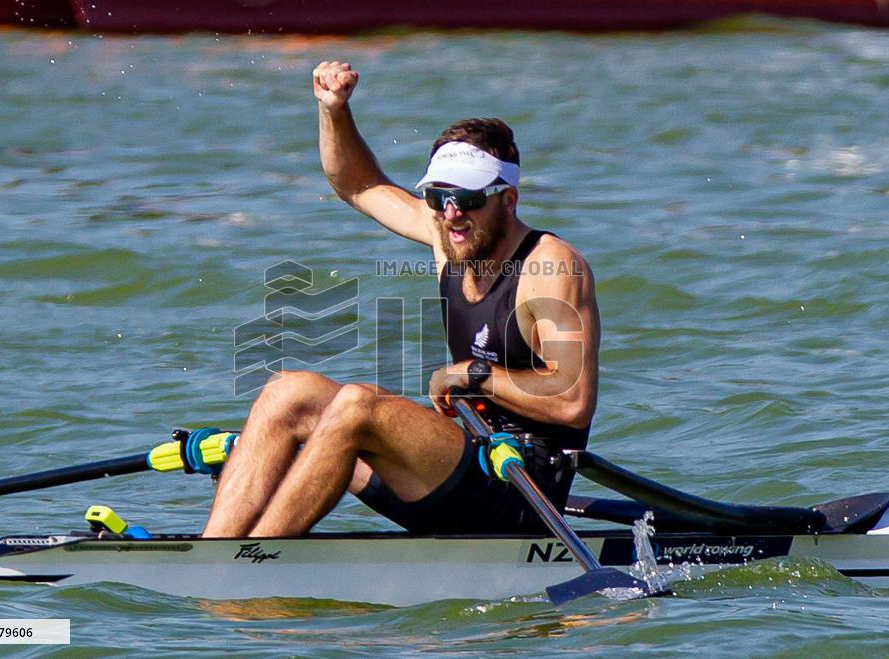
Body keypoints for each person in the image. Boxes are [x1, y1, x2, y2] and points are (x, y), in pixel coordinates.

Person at [202, 61, 600, 538]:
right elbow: (359, 185)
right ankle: (219, 552)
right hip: (463, 463)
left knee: (357, 404)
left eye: (468, 199)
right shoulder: (450, 236)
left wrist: (474, 375)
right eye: (437, 197)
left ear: (507, 200)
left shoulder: (551, 267)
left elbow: (573, 401)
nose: (451, 214)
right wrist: (334, 110)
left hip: (520, 492)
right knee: (287, 392)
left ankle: (258, 561)